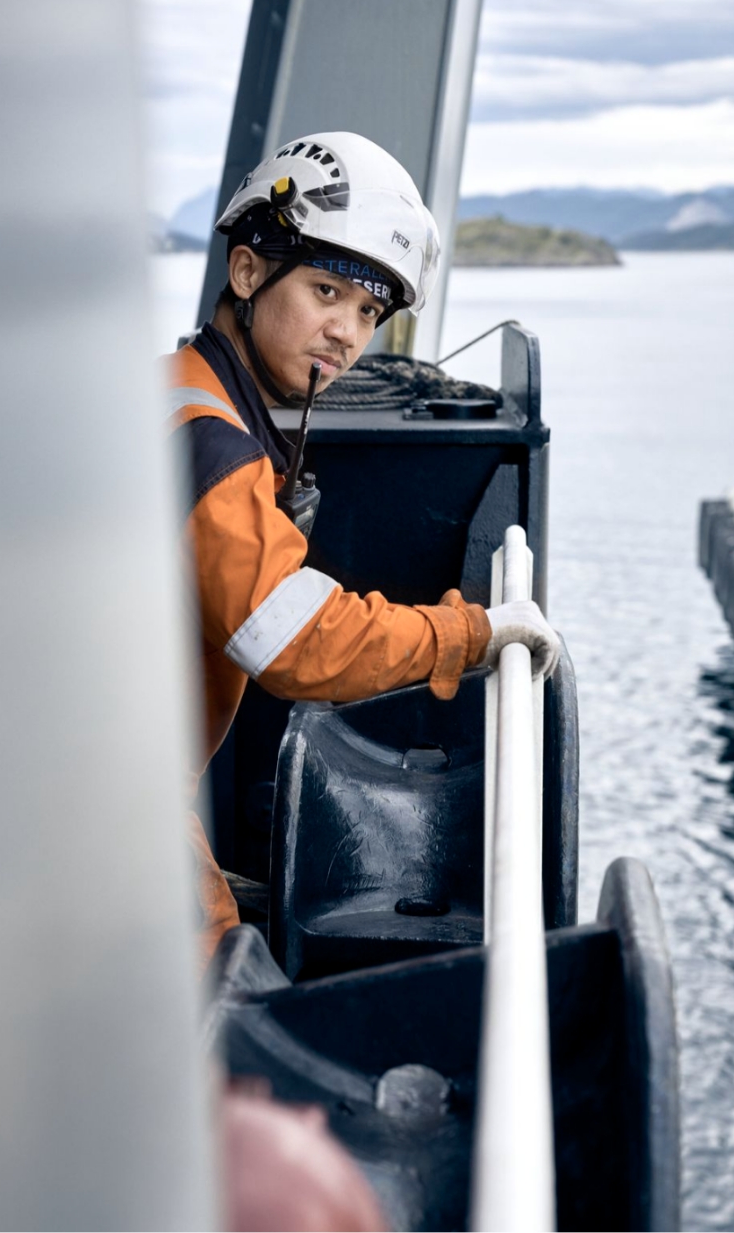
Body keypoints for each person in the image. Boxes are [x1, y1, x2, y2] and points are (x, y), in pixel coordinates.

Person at [162, 132, 560, 968]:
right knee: (219, 994)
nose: (346, 332)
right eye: (325, 290)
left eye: (370, 312)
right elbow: (296, 642)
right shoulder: (209, 442)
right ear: (247, 273)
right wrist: (471, 634)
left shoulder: (174, 391)